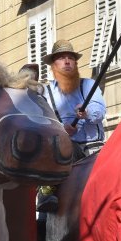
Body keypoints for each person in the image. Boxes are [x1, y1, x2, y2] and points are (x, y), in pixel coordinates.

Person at [37, 39, 106, 212]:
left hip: (94, 149)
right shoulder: (45, 92)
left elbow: (99, 109)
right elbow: (42, 122)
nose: (67, 61)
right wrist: (61, 128)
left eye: (70, 58)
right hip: (64, 151)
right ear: (53, 65)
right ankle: (46, 195)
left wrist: (87, 112)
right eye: (61, 58)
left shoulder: (88, 84)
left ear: (75, 63)